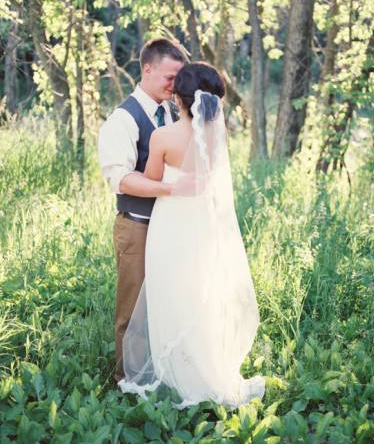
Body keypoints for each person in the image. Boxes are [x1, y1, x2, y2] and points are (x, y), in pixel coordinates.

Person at [119, 62, 265, 408]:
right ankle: (205, 367)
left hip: (171, 223)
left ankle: (175, 373)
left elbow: (153, 181)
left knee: (169, 292)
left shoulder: (162, 137)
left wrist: (165, 178)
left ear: (179, 100)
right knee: (200, 293)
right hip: (203, 224)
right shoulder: (216, 134)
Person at [98, 38, 188, 382]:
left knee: (167, 304)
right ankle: (127, 381)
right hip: (137, 226)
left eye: (179, 78)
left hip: (172, 228)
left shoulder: (173, 112)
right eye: (169, 77)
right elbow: (120, 179)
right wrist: (170, 189)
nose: (174, 85)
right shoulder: (123, 119)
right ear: (146, 70)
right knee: (132, 308)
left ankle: (163, 372)